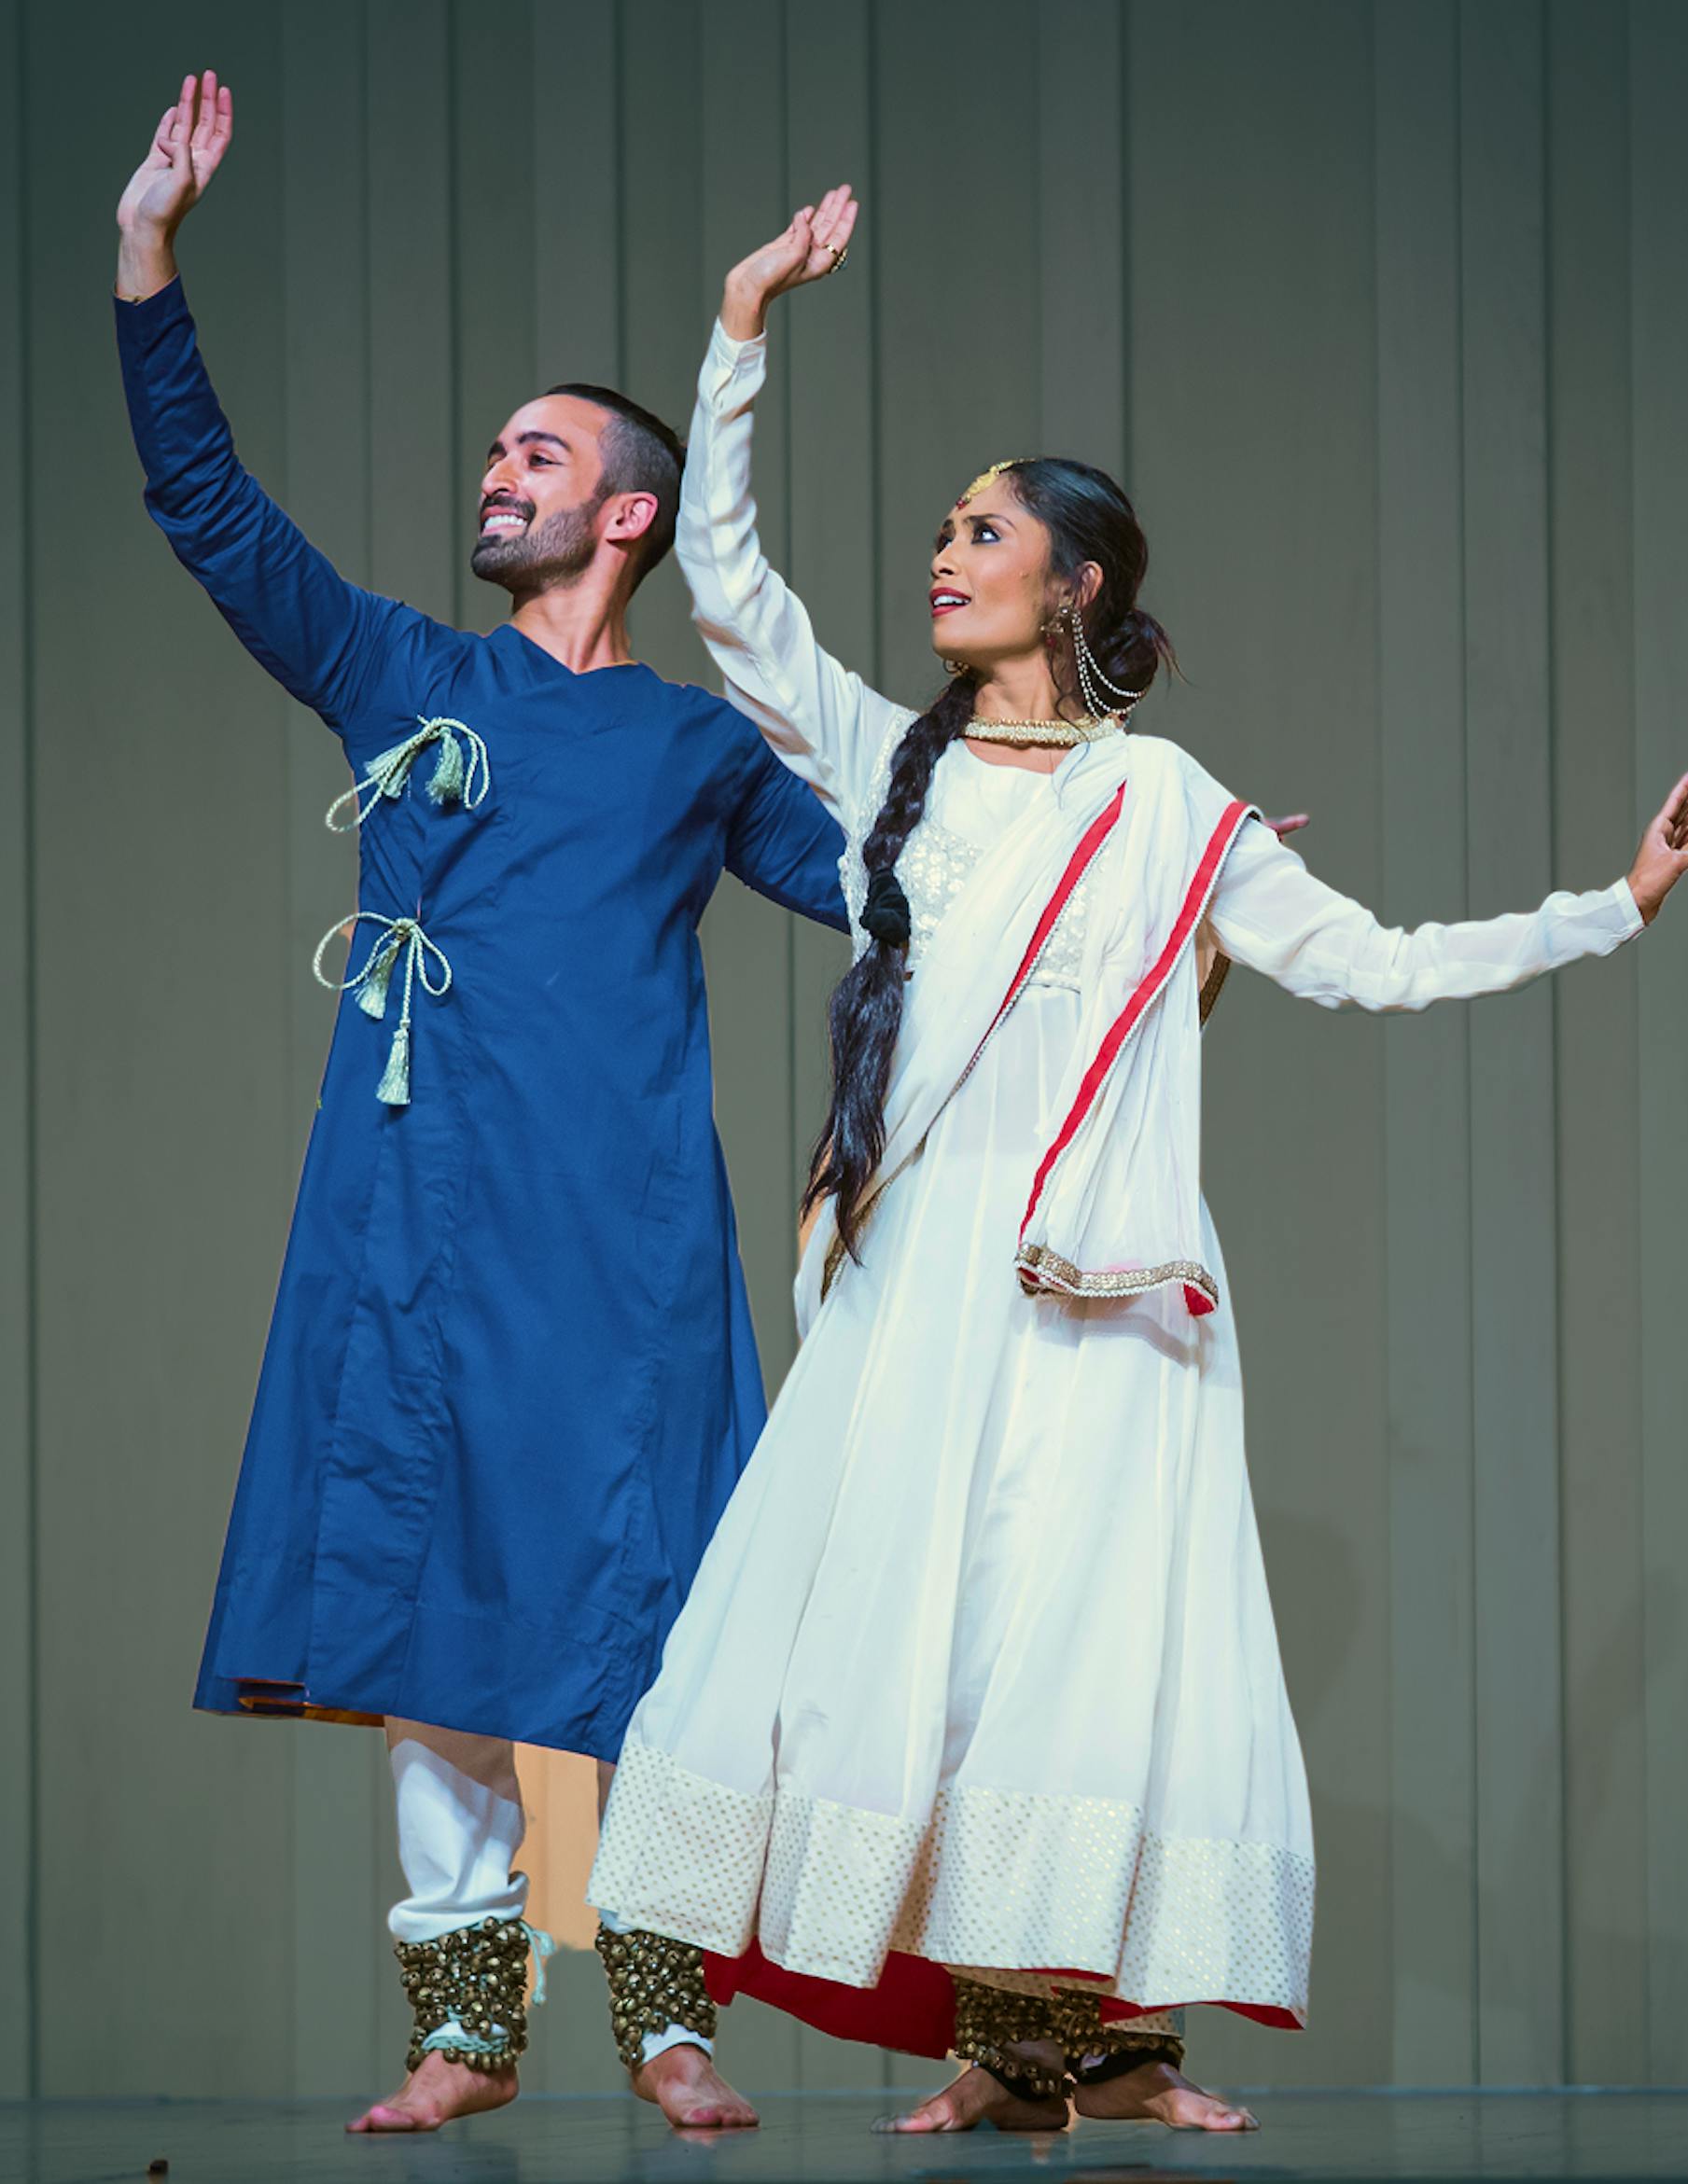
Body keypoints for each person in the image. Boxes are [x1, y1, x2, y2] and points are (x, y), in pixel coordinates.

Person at [590, 186, 1688, 2135]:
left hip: (1108, 1285)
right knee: (909, 1644)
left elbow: (1371, 965)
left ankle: (1072, 2048)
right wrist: (740, 329)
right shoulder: (898, 763)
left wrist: (1604, 908)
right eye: (945, 528)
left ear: (1082, 582)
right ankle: (998, 2049)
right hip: (924, 1273)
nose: (945, 553)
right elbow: (728, 589)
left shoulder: (1170, 806)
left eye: (986, 530)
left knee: (1081, 1657)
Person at [115, 75, 848, 2135]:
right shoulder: (409, 677)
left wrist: (1115, 844)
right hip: (422, 1214)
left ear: (628, 510)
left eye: (541, 453)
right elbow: (214, 521)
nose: (499, 472)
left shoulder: (693, 746)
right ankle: (464, 2023)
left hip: (619, 1239)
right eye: (499, 450)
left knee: (658, 1614)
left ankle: (671, 2013)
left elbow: (889, 893)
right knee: (425, 1604)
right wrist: (147, 261)